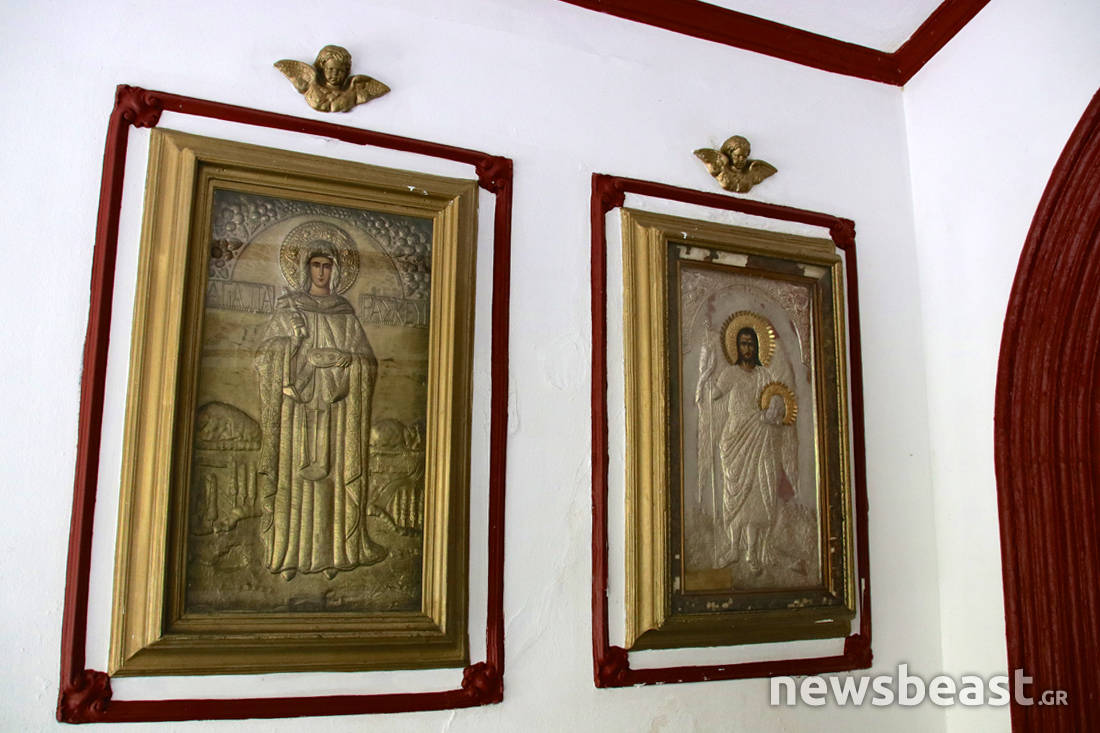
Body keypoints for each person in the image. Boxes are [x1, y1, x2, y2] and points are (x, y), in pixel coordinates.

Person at [254, 241, 385, 580]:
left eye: (327, 266)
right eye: (316, 265)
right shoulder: (289, 310)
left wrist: (347, 361)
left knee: (331, 481)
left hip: (337, 410)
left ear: (336, 270)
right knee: (293, 479)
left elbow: (367, 362)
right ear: (305, 268)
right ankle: (287, 556)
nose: (322, 272)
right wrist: (295, 345)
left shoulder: (345, 314)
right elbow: (265, 357)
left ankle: (333, 555)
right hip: (295, 408)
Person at [710, 325, 797, 573]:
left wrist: (772, 417)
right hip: (735, 441)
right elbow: (713, 396)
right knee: (736, 497)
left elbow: (776, 406)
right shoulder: (730, 374)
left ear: (757, 347)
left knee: (756, 498)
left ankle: (751, 553)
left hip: (761, 441)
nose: (747, 348)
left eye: (751, 343)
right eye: (743, 343)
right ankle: (732, 549)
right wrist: (706, 375)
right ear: (736, 347)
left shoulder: (764, 376)